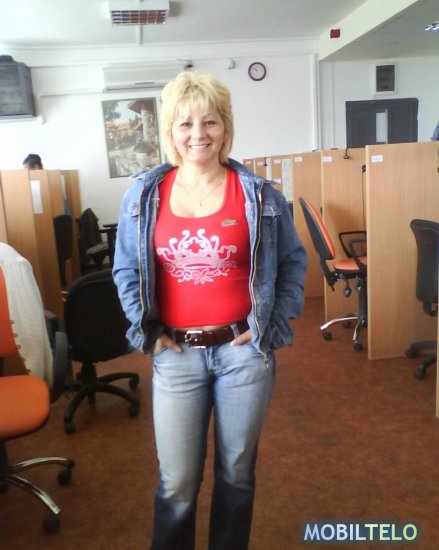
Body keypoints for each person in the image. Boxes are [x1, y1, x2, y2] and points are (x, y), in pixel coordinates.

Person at [113, 71, 307, 550]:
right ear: (170, 131)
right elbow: (125, 269)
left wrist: (272, 323)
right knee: (176, 481)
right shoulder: (144, 195)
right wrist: (147, 329)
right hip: (176, 354)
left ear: (225, 127)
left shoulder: (258, 194)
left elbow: (292, 262)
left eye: (210, 121)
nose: (198, 134)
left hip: (243, 353)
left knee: (236, 474)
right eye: (185, 123)